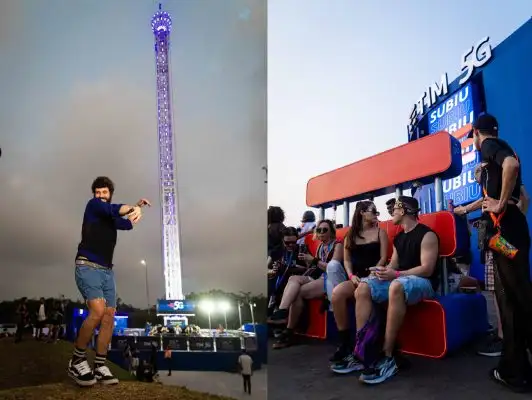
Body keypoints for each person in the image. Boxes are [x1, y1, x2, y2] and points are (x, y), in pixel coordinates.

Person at [468, 114, 532, 391]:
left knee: (513, 303)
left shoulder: (489, 145)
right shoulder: (502, 147)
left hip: (504, 234)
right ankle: (514, 369)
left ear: (476, 133)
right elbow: (525, 197)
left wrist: (500, 205)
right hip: (511, 233)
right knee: (518, 299)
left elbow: (511, 165)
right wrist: (512, 212)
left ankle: (514, 372)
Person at [67, 176, 150, 387]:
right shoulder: (93, 206)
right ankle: (76, 360)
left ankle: (100, 365)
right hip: (87, 266)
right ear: (94, 194)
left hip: (106, 271)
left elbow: (127, 224)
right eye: (98, 192)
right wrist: (131, 206)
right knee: (97, 311)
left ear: (110, 193)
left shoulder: (110, 216)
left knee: (109, 316)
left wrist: (138, 207)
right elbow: (115, 209)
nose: (101, 195)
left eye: (104, 192)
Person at [354, 196, 439, 384]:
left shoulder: (427, 235)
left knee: (397, 285)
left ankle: (388, 355)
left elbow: (427, 269)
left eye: (394, 209)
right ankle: (362, 349)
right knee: (364, 286)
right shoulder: (399, 237)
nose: (391, 212)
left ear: (404, 210)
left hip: (424, 283)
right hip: (402, 279)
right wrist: (382, 272)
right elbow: (394, 265)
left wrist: (397, 275)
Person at [455, 162, 530, 358]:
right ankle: (512, 335)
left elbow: (482, 201)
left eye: (479, 171)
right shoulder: (512, 186)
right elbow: (525, 199)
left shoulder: (494, 187)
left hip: (496, 239)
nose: (478, 175)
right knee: (514, 285)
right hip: (509, 238)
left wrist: (463, 210)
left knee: (499, 287)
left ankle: (503, 336)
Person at [329, 201, 388, 370]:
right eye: (373, 211)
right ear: (362, 212)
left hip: (374, 276)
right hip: (356, 277)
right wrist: (351, 275)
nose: (376, 214)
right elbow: (346, 260)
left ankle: (360, 347)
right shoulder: (350, 235)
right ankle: (344, 342)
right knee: (337, 293)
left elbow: (383, 258)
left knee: (361, 290)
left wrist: (372, 273)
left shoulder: (380, 233)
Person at [268, 220, 344, 349]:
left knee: (296, 290)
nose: (321, 233)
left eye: (325, 230)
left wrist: (312, 260)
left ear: (331, 231)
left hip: (333, 280)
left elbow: (332, 269)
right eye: (319, 230)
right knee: (293, 279)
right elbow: (315, 267)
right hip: (320, 277)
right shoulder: (321, 246)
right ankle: (282, 312)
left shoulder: (338, 245)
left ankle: (288, 330)